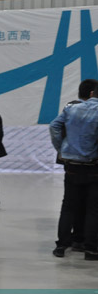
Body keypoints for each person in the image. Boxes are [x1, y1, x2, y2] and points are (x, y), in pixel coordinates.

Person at [49, 78, 98, 260]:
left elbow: (54, 126)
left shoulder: (71, 108)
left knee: (68, 207)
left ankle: (61, 246)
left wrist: (61, 149)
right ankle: (91, 249)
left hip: (71, 166)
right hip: (92, 166)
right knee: (93, 209)